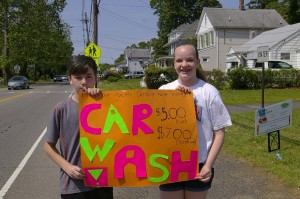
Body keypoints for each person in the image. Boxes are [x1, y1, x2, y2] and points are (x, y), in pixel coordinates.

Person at [158, 41, 232, 199]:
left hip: (199, 165)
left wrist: (208, 165)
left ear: (197, 62)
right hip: (169, 163)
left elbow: (219, 132)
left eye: (189, 60)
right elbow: (154, 127)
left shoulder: (209, 92)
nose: (184, 64)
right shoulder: (164, 91)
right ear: (174, 64)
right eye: (179, 60)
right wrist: (175, 100)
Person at [44, 55, 113, 199]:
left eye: (88, 77)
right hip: (73, 185)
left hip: (103, 181)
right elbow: (48, 146)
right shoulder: (61, 109)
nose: (84, 82)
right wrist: (66, 167)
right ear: (70, 79)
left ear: (95, 77)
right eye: (78, 77)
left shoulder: (106, 105)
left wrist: (102, 100)